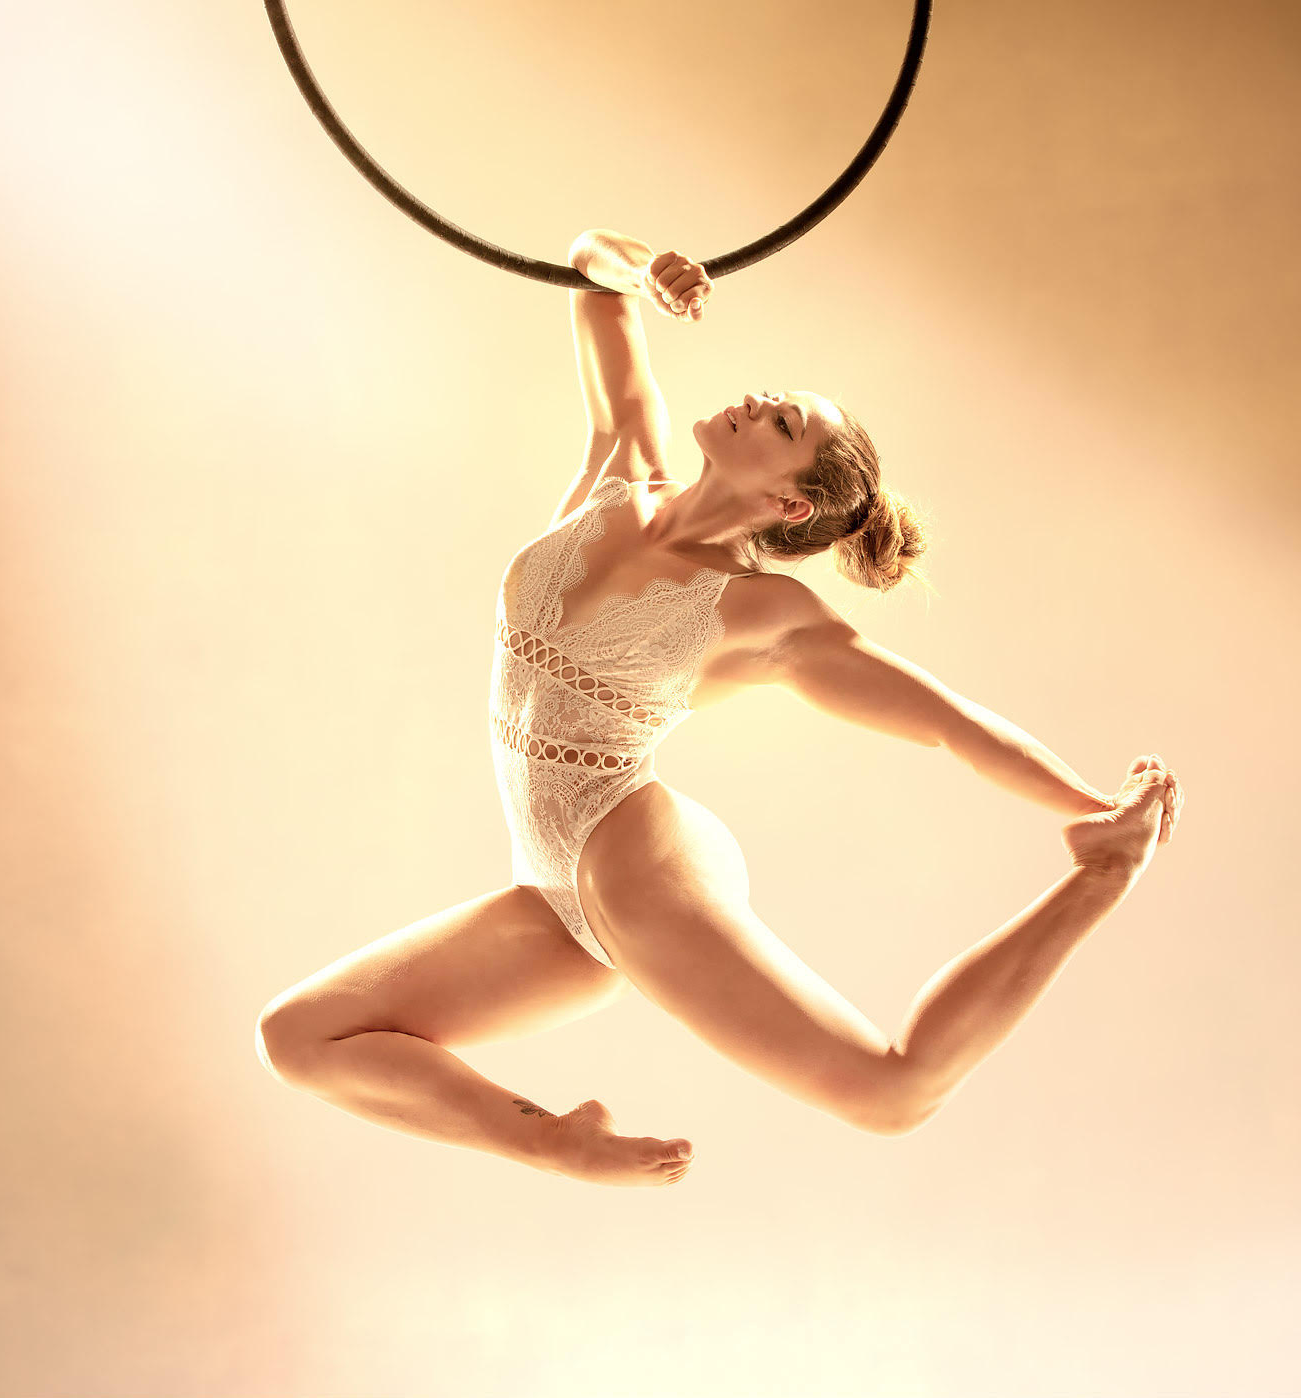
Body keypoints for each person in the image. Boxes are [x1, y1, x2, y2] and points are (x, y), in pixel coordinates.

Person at [255, 228, 1183, 1188]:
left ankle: (1101, 877)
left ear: (789, 506)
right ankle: (545, 1137)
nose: (757, 401)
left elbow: (947, 723)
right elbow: (589, 270)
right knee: (300, 1037)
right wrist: (643, 265)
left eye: (783, 426)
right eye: (775, 397)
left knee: (890, 1094)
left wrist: (1087, 807)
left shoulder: (762, 612)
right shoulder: (621, 468)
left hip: (633, 851)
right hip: (550, 889)